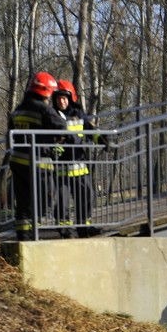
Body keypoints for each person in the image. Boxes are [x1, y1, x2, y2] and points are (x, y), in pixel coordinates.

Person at [7, 72, 69, 241]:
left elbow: (10, 131)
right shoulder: (44, 109)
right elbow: (62, 128)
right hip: (37, 162)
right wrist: (58, 140)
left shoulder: (18, 109)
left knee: (24, 201)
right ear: (47, 91)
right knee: (46, 197)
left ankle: (23, 236)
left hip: (17, 161)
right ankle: (35, 230)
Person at [52, 79, 101, 238]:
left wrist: (104, 141)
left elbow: (91, 131)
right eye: (59, 98)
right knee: (62, 202)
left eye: (64, 98)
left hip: (79, 166)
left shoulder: (78, 114)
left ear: (70, 98)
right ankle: (65, 230)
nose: (62, 101)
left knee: (87, 195)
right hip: (61, 170)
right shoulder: (51, 116)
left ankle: (84, 227)